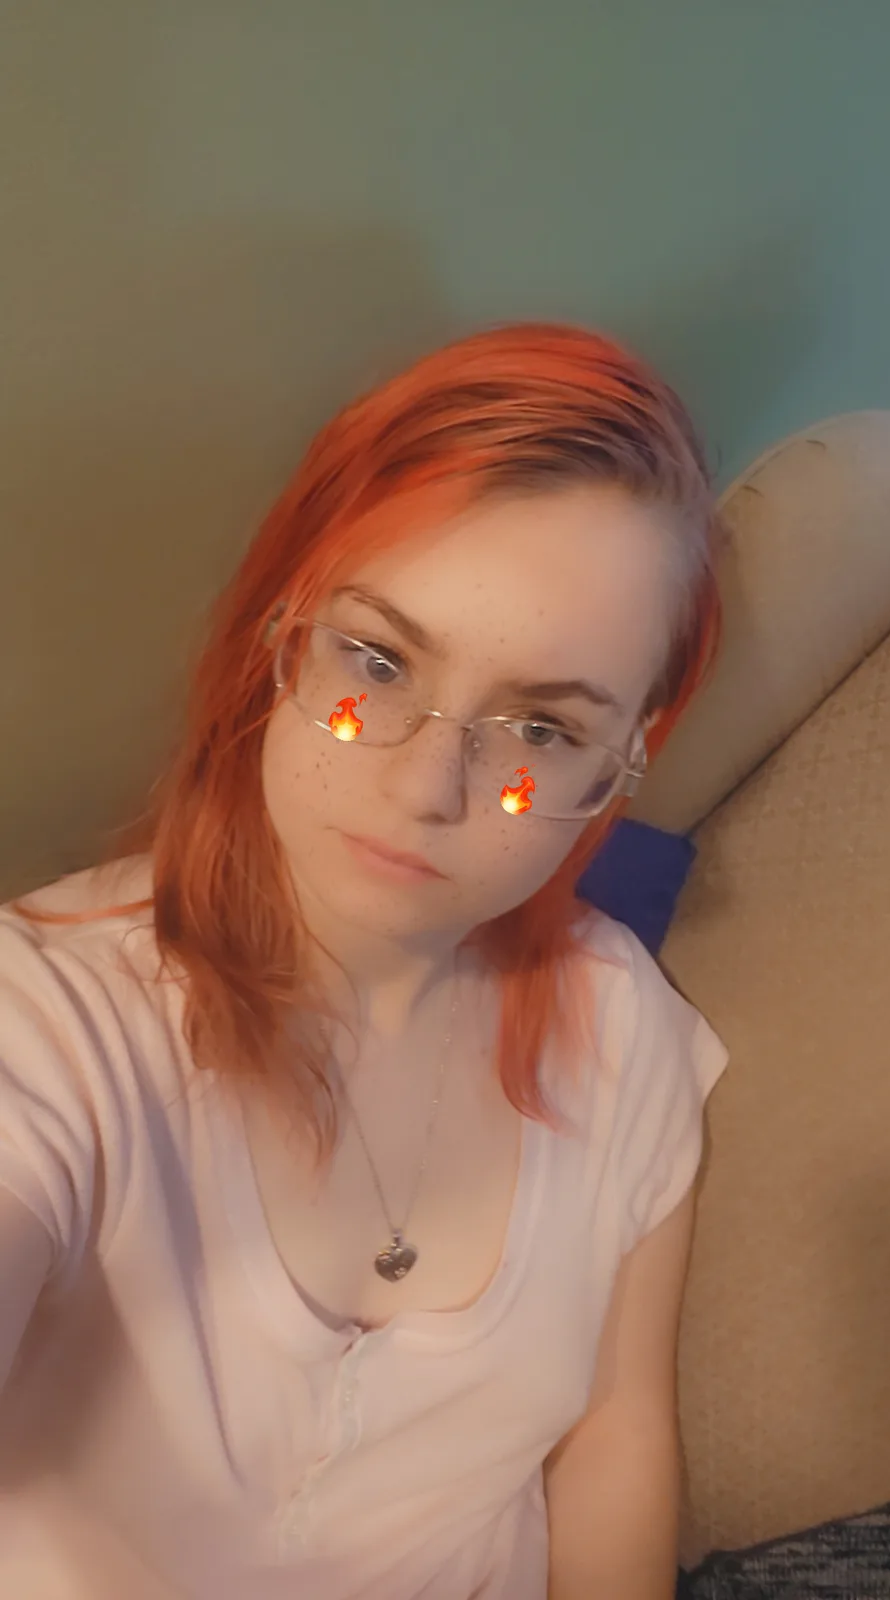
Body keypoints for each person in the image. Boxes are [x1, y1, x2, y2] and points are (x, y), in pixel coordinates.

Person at [0, 321, 730, 1600]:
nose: (427, 787)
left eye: (541, 727)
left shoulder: (626, 1030)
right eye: (378, 661)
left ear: (627, 757)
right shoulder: (50, 1024)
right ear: (280, 627)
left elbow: (615, 1436)